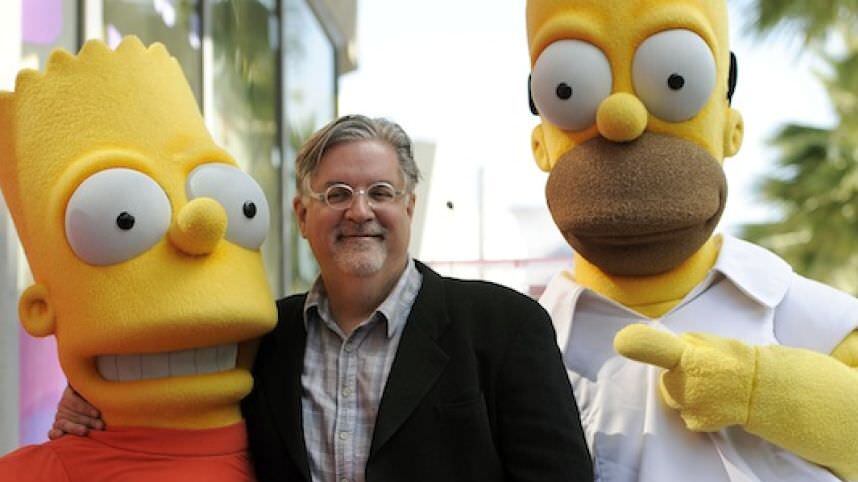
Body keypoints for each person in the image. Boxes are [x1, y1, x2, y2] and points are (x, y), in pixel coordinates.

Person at [51, 114, 594, 482]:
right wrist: (88, 402)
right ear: (302, 214)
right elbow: (178, 400)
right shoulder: (260, 338)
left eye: (380, 192)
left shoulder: (505, 325)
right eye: (337, 193)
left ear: (409, 207)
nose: (359, 211)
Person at [526, 0, 858, 480]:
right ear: (540, 144)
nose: (621, 116)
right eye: (568, 88)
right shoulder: (528, 341)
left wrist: (757, 389)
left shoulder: (802, 313)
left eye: (675, 79)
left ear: (731, 127)